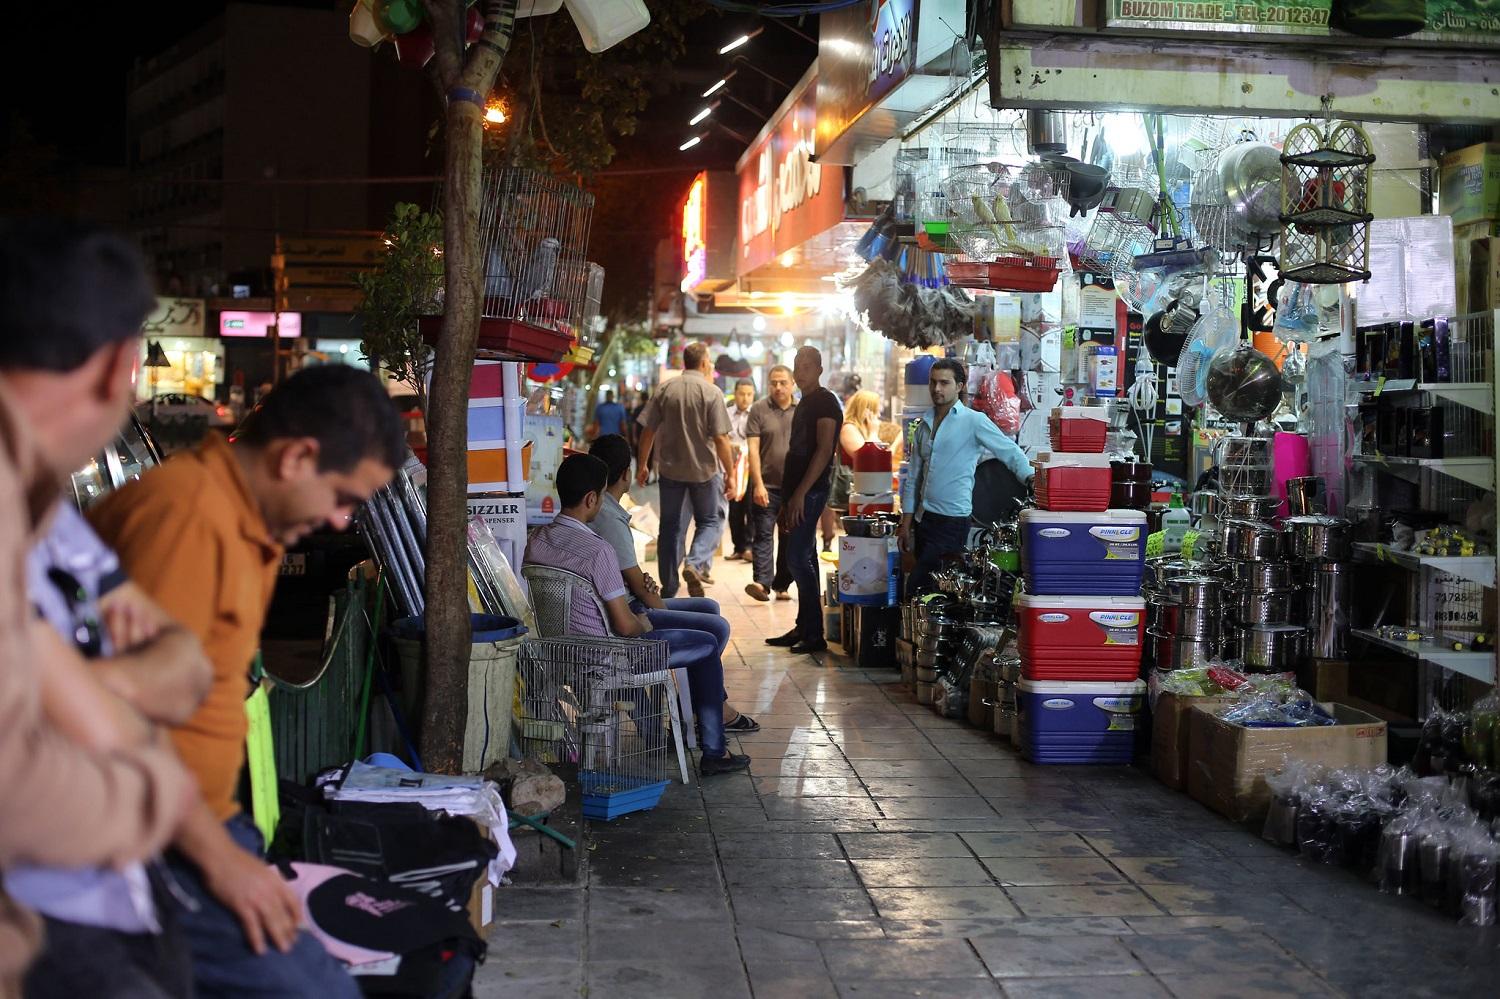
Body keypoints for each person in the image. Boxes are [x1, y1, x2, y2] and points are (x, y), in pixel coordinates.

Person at [91, 365, 406, 998]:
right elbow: (123, 725)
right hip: (147, 841)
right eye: (342, 497)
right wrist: (220, 861)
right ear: (295, 458)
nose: (342, 522)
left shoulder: (248, 526)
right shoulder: (186, 518)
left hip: (199, 827)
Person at [0, 219, 198, 994]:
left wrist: (90, 695)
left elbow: (179, 658)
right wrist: (152, 786)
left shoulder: (38, 503)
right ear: (120, 366)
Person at [525, 454, 750, 774]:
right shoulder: (597, 550)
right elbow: (626, 626)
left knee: (703, 630)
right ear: (591, 499)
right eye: (602, 495)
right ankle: (714, 751)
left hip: (561, 653)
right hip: (608, 657)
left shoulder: (536, 542)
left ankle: (691, 731)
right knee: (708, 644)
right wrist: (643, 620)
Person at [587, 435, 758, 734]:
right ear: (625, 473)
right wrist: (662, 611)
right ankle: (711, 710)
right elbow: (638, 587)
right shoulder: (608, 518)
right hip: (627, 611)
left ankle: (695, 705)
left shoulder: (597, 513)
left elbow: (635, 578)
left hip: (627, 601)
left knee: (709, 607)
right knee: (715, 628)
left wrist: (647, 588)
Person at [900, 357, 1033, 595]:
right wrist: (906, 522)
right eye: (933, 382)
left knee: (920, 587)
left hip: (952, 520)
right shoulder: (924, 424)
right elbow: (913, 477)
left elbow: (1009, 450)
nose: (937, 389)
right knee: (932, 593)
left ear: (959, 386)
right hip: (923, 519)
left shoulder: (974, 421)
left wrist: (1031, 478)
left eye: (944, 383)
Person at [634, 342, 733, 600]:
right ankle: (695, 562)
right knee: (710, 521)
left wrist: (642, 464)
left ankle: (668, 586)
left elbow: (648, 430)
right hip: (704, 472)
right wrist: (731, 472)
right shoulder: (711, 392)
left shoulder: (665, 390)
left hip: (671, 472)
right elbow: (721, 439)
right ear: (703, 363)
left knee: (670, 527)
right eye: (709, 361)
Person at [766, 347, 841, 654]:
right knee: (805, 555)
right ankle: (804, 627)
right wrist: (787, 498)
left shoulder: (824, 401)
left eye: (807, 366)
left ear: (820, 369)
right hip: (797, 491)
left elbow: (824, 451)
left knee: (797, 558)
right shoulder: (806, 402)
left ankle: (814, 634)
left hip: (810, 491)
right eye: (797, 366)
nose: (800, 372)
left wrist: (799, 495)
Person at [744, 366, 797, 603]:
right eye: (774, 383)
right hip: (766, 485)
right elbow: (753, 451)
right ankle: (762, 583)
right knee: (763, 534)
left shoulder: (802, 411)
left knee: (789, 536)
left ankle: (782, 585)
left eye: (783, 382)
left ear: (792, 384)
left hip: (794, 488)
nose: (778, 387)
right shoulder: (758, 409)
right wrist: (758, 484)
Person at [825, 389, 881, 547]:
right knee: (859, 536)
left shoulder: (860, 429)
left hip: (865, 489)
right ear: (866, 410)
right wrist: (873, 432)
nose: (878, 414)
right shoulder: (849, 428)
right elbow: (867, 458)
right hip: (854, 489)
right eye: (876, 409)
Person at [819, 373, 865, 556]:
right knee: (828, 504)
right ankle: (827, 540)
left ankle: (828, 541)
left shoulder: (838, 405)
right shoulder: (843, 416)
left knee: (828, 505)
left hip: (830, 465)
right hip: (830, 466)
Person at [724, 378, 755, 563]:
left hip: (752, 468)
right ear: (735, 394)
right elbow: (719, 438)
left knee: (752, 508)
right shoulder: (726, 413)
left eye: (749, 394)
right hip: (731, 467)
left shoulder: (756, 414)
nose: (745, 398)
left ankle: (749, 547)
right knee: (734, 509)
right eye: (742, 394)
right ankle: (739, 547)